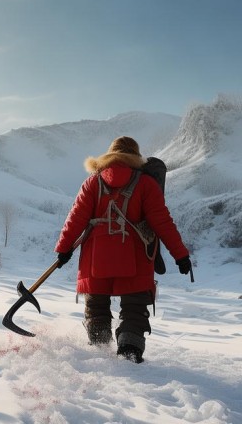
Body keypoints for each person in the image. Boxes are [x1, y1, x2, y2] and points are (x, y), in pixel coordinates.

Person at [54, 136, 191, 363]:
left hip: (95, 258)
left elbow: (75, 218)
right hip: (134, 258)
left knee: (97, 306)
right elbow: (162, 222)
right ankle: (130, 353)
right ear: (136, 159)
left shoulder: (92, 183)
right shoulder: (146, 184)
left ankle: (99, 352)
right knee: (134, 307)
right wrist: (181, 255)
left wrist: (64, 248)